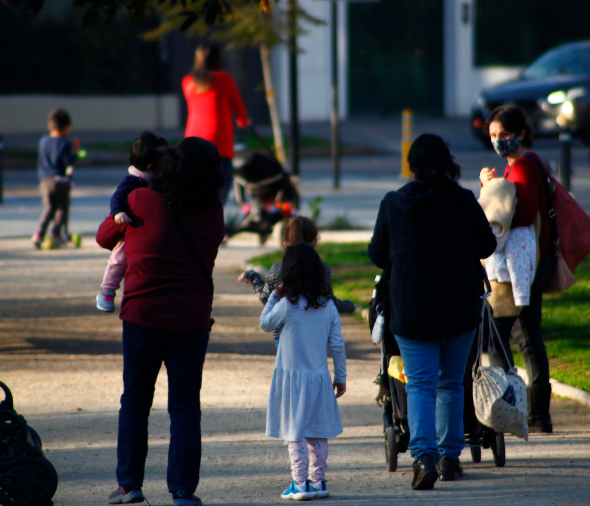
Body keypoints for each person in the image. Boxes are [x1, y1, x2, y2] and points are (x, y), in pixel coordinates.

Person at [96, 137, 226, 506]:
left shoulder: (139, 201)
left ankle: (129, 485)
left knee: (136, 400)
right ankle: (183, 491)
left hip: (142, 317)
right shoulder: (214, 212)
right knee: (185, 407)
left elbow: (105, 236)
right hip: (191, 321)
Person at [368, 134, 496, 490]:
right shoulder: (463, 200)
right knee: (451, 384)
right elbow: (488, 244)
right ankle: (450, 458)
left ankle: (424, 457)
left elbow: (377, 254)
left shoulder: (393, 204)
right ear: (448, 162)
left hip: (411, 309)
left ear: (412, 166)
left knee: (421, 385)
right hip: (458, 305)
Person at [479, 104, 555, 434]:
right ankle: (538, 416)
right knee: (529, 339)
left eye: (505, 135)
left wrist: (488, 189)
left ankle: (508, 410)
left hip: (516, 273)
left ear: (521, 134)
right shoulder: (528, 163)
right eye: (494, 136)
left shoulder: (522, 167)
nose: (499, 141)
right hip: (529, 267)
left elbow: (518, 216)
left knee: (500, 341)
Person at [260, 242, 347, 501]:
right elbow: (338, 344)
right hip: (319, 378)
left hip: (291, 378)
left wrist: (274, 296)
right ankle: (318, 480)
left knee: (293, 432)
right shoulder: (327, 306)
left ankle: (299, 483)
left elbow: (265, 324)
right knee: (317, 431)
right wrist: (340, 377)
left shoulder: (287, 304)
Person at [238, 216, 356, 345]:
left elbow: (266, 299)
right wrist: (349, 306)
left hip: (285, 337)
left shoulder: (278, 269)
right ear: (315, 243)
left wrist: (254, 277)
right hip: (315, 336)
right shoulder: (322, 269)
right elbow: (329, 301)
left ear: (284, 243)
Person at [96, 132, 170, 313]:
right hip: (129, 227)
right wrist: (118, 213)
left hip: (144, 230)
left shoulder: (154, 178)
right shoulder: (133, 181)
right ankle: (107, 290)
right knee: (119, 258)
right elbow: (117, 197)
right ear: (151, 167)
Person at [182, 43, 251, 204]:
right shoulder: (223, 79)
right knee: (221, 185)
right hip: (219, 139)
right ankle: (212, 219)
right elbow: (239, 108)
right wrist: (244, 121)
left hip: (193, 139)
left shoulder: (188, 82)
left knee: (196, 185)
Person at [33, 109, 79, 249]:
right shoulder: (65, 144)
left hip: (44, 180)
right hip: (60, 181)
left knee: (49, 207)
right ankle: (56, 234)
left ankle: (39, 234)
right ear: (66, 128)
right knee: (62, 207)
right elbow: (67, 163)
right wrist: (75, 152)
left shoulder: (43, 141)